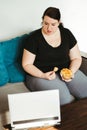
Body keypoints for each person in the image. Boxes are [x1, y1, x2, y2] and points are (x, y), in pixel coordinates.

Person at [22, 7, 87, 105]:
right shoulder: (33, 38)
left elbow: (76, 58)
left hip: (65, 70)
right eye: (46, 23)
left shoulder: (66, 33)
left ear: (59, 22)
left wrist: (71, 72)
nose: (49, 28)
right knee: (65, 100)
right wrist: (42, 75)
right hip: (39, 75)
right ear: (42, 20)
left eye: (53, 24)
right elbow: (26, 64)